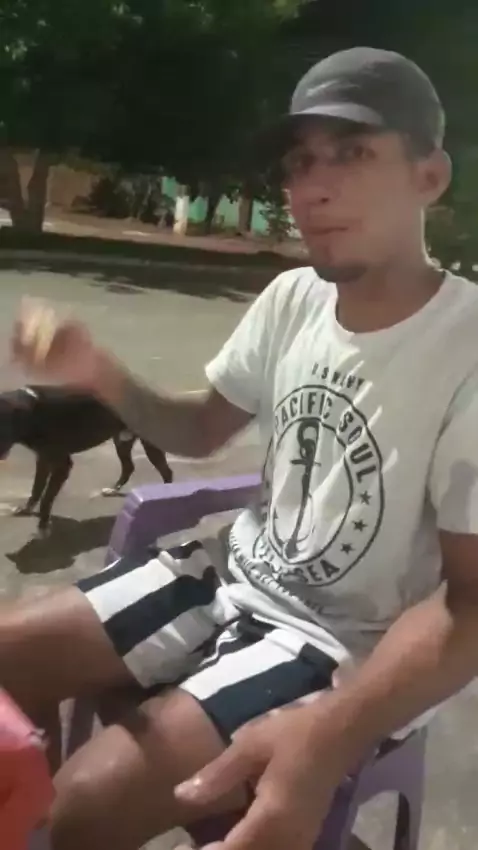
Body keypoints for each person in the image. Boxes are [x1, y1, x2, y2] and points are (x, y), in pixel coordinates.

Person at [6, 46, 478, 850]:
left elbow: (469, 604)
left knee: (86, 806)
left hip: (343, 643)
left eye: (353, 153)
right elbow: (200, 428)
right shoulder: (293, 297)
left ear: (429, 177)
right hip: (227, 574)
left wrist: (329, 738)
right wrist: (100, 375)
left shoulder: (464, 347)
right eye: (300, 162)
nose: (313, 187)